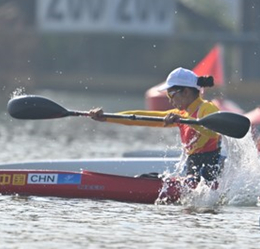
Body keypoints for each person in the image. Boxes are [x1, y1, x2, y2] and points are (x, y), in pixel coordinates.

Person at [88, 67, 222, 184]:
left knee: (190, 182)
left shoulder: (207, 108)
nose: (169, 99)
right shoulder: (180, 113)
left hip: (209, 171)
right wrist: (107, 117)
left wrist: (184, 121)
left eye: (171, 94)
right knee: (148, 177)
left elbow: (214, 133)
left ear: (186, 92)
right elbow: (141, 118)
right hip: (192, 172)